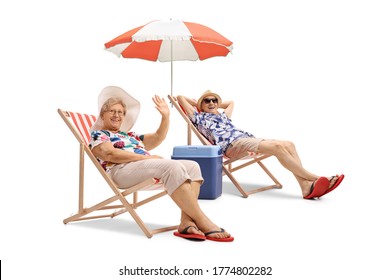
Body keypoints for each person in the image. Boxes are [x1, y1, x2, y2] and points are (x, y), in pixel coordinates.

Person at [89, 86, 233, 242]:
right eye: (112, 111)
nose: (117, 115)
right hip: (121, 172)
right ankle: (203, 221)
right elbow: (110, 154)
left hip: (143, 168)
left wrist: (165, 116)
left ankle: (186, 222)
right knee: (173, 166)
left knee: (193, 166)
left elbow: (158, 137)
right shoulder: (99, 134)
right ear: (102, 114)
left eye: (120, 112)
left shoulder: (130, 135)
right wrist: (147, 159)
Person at [177, 90, 345, 199]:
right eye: (207, 101)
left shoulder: (223, 116)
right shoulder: (199, 118)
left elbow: (231, 103)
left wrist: (216, 104)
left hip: (246, 139)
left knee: (289, 144)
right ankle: (314, 178)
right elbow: (180, 98)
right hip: (232, 145)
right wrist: (197, 104)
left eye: (214, 100)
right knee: (278, 148)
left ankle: (305, 187)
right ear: (201, 105)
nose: (212, 103)